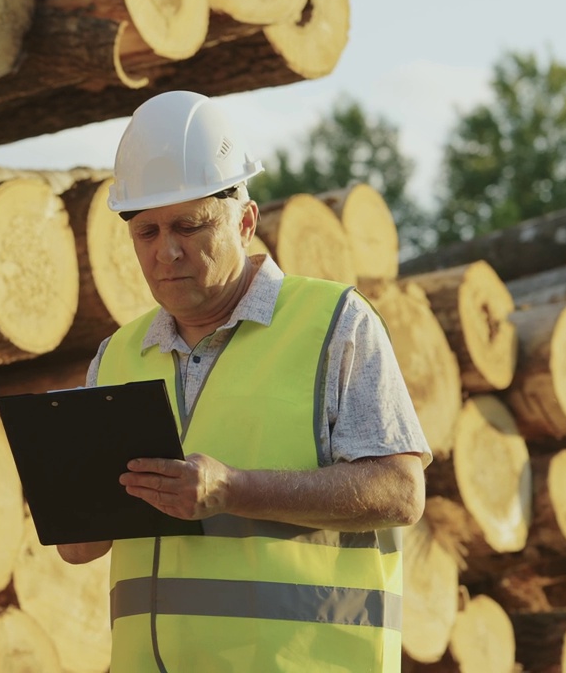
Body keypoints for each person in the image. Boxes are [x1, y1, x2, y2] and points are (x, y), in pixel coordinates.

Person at [58, 90, 431, 673]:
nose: (168, 252)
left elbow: (401, 491)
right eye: (147, 232)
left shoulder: (335, 324)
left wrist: (235, 489)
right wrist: (72, 513)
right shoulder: (117, 356)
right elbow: (81, 548)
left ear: (246, 221)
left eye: (189, 225)